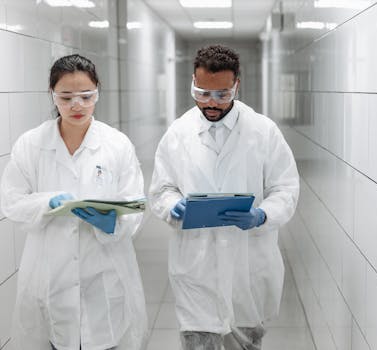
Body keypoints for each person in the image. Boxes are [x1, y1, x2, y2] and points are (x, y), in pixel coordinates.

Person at [149, 45, 300, 349]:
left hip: (249, 264)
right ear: (193, 82)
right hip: (197, 265)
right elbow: (162, 189)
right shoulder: (178, 133)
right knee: (198, 338)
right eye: (202, 93)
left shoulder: (262, 131)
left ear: (236, 86)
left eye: (222, 94)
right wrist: (170, 206)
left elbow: (285, 188)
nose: (211, 103)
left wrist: (263, 215)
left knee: (246, 340)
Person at [0, 54, 147, 350]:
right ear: (52, 95)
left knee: (105, 339)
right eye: (66, 97)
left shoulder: (116, 144)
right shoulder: (31, 144)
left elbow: (134, 205)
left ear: (98, 93)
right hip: (51, 276)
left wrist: (111, 221)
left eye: (86, 96)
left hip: (104, 275)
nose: (76, 105)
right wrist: (48, 202)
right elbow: (11, 202)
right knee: (56, 340)